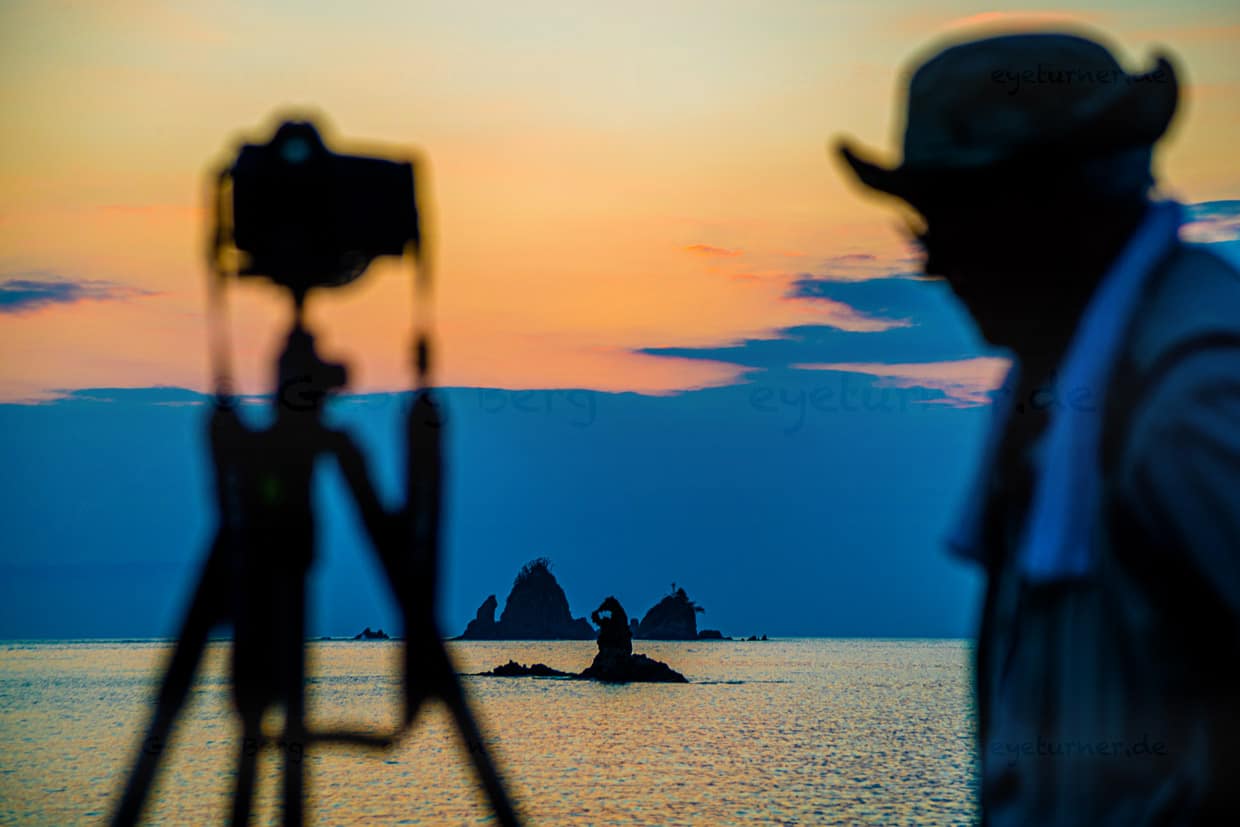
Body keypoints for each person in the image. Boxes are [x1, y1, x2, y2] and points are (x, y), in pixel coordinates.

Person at [835, 31, 1240, 824]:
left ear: (1044, 205)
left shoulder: (1191, 404)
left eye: (945, 221)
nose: (932, 264)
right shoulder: (1065, 397)